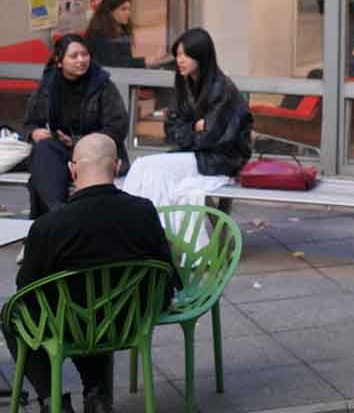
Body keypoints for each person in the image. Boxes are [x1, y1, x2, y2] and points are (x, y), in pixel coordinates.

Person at [6, 133, 175, 413]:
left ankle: (52, 401)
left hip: (68, 326)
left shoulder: (49, 226)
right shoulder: (144, 212)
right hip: (128, 322)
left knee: (12, 316)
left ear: (72, 169)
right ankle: (96, 394)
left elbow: (25, 292)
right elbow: (168, 277)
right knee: (99, 304)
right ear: (118, 166)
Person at [121, 28, 252, 211]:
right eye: (178, 54)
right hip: (196, 154)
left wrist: (190, 131)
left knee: (151, 170)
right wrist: (194, 127)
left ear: (201, 56)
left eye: (186, 55)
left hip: (221, 160)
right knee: (142, 167)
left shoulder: (221, 89)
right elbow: (171, 130)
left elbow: (209, 139)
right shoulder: (184, 83)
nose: (180, 60)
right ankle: (141, 224)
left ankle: (149, 227)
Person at [20, 35, 129, 220]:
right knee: (44, 149)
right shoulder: (49, 85)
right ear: (59, 61)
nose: (81, 60)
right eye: (74, 56)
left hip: (99, 151)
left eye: (85, 54)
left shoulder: (101, 84)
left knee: (43, 176)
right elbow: (29, 123)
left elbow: (117, 126)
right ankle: (57, 214)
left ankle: (59, 220)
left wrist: (81, 142)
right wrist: (34, 133)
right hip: (62, 151)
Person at [83, 0, 167, 69]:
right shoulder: (99, 32)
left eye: (129, 9)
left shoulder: (122, 31)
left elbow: (125, 60)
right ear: (109, 12)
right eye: (123, 9)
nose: (128, 13)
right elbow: (112, 62)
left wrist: (146, 62)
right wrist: (143, 61)